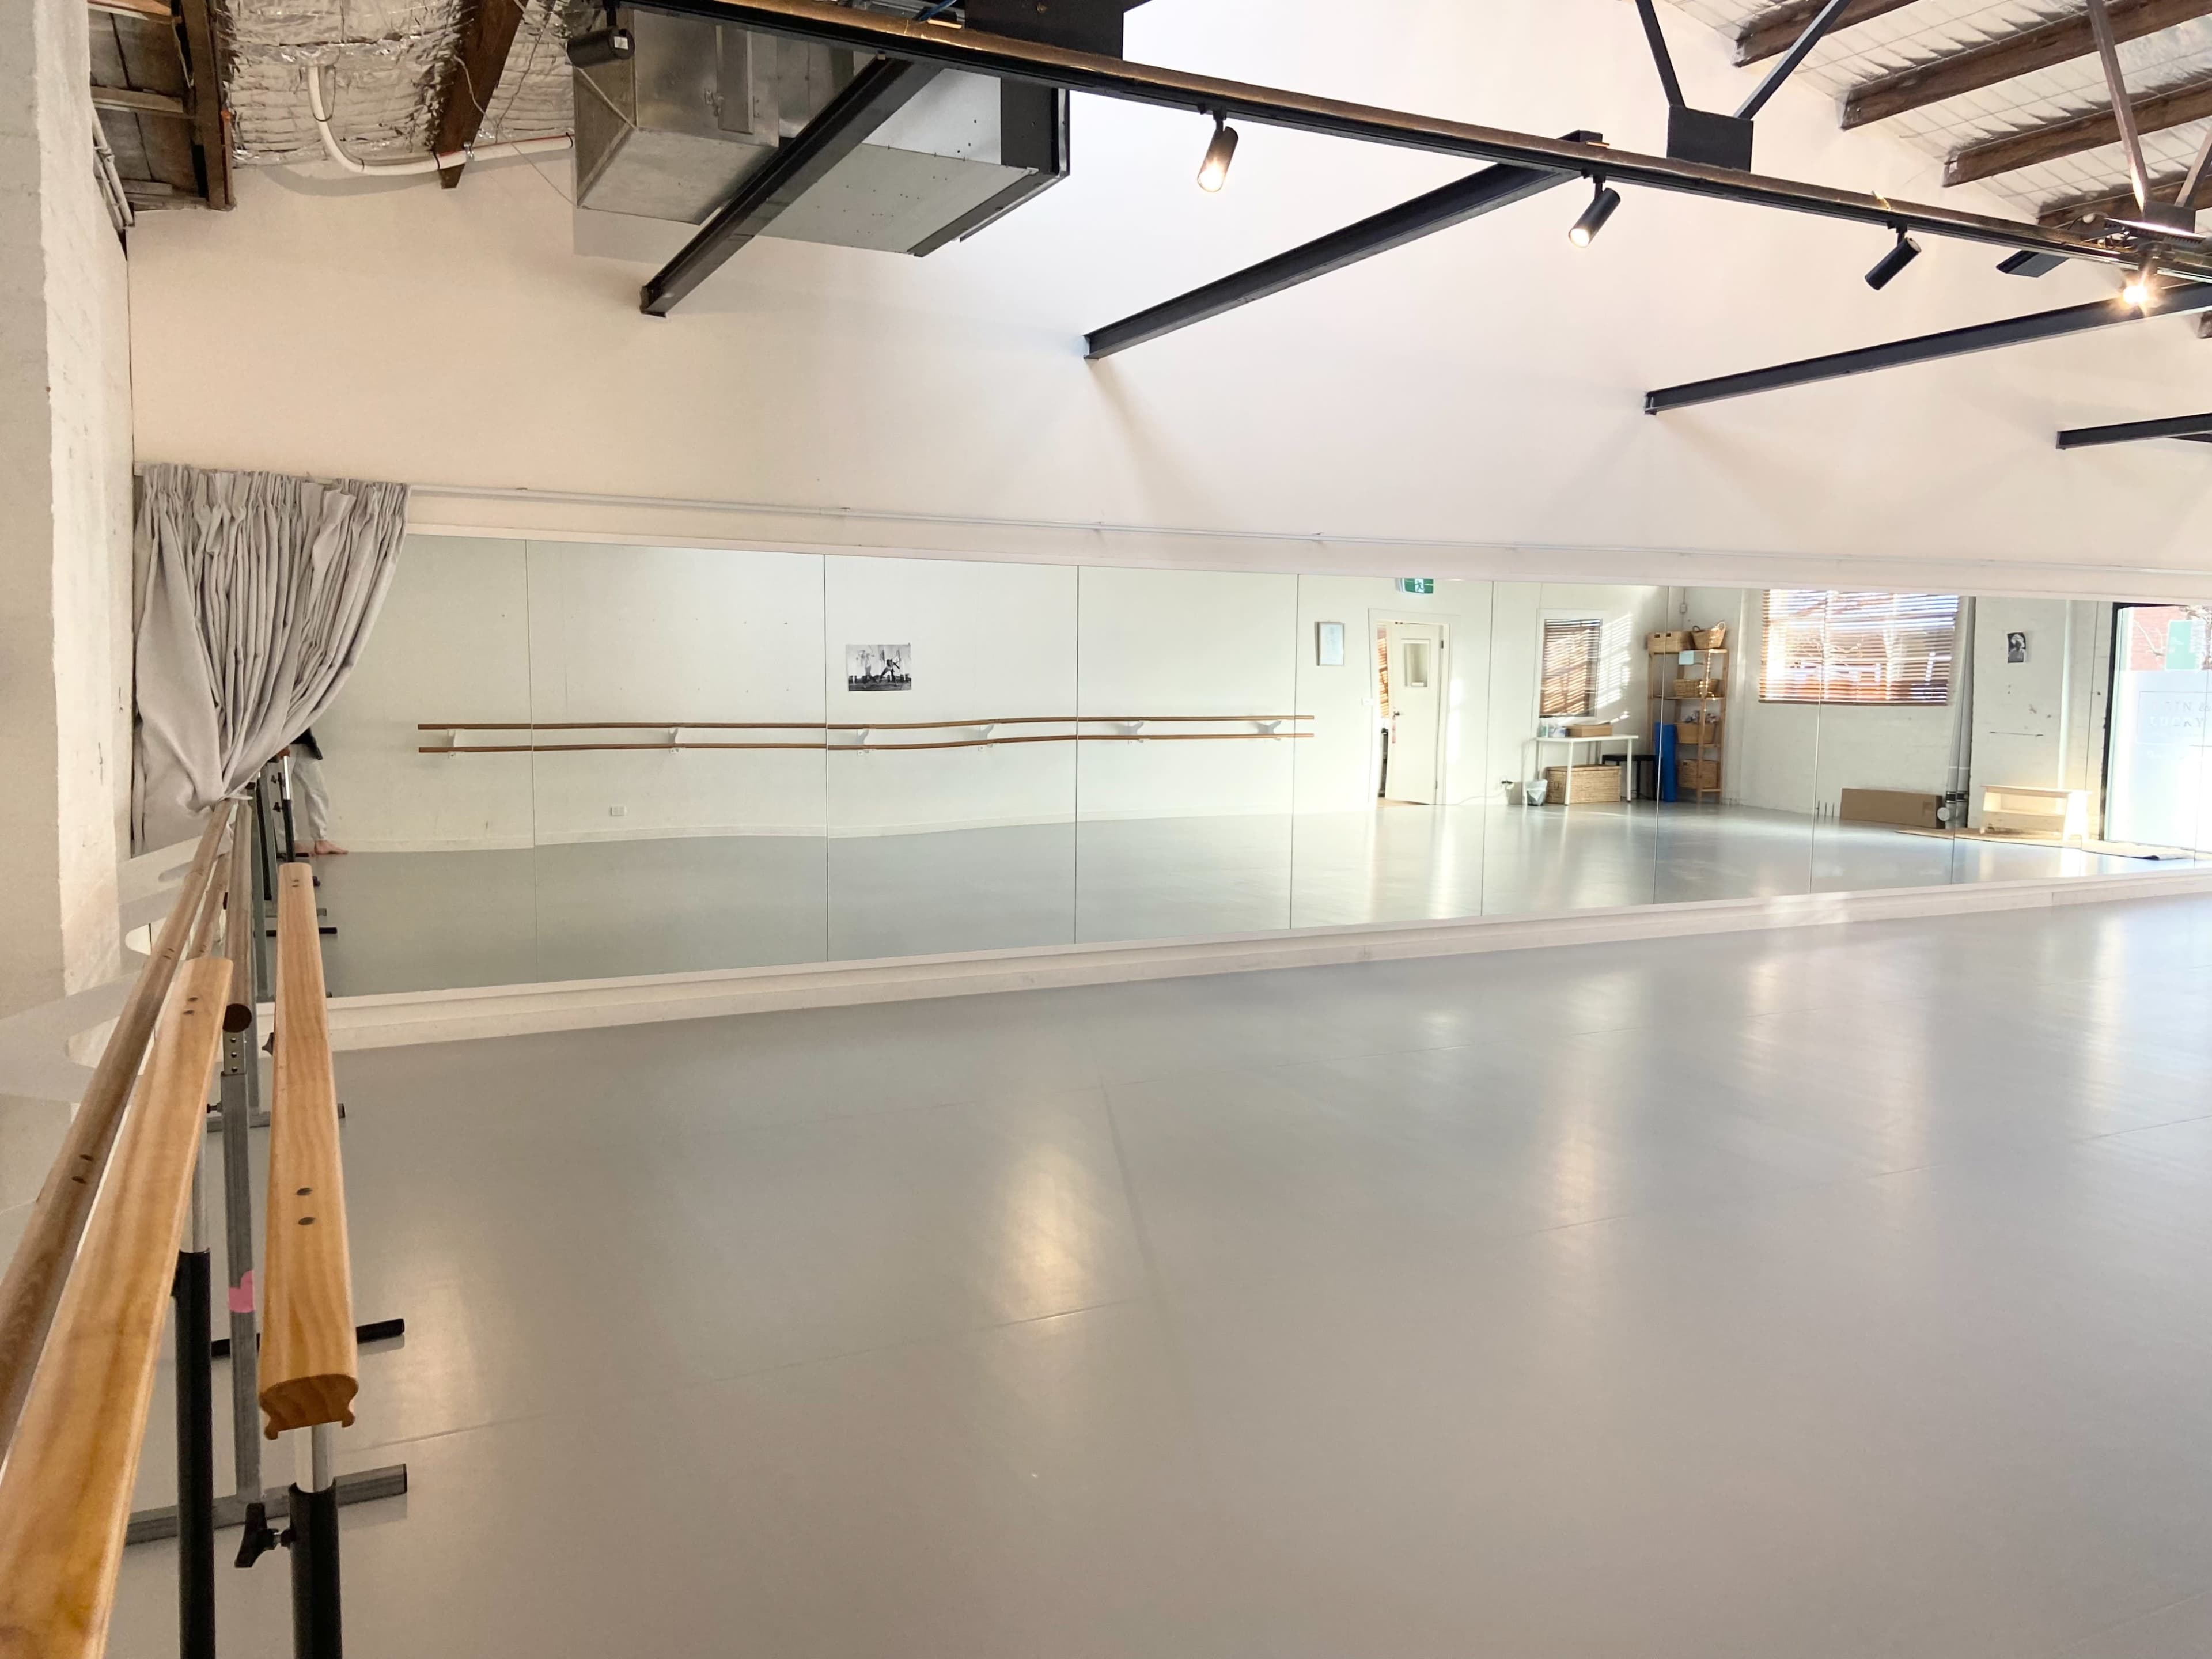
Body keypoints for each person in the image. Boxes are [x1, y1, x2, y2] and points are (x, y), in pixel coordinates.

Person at [288, 726, 346, 857]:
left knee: (318, 790)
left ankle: (321, 840)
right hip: (282, 738)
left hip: (302, 737)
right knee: (284, 794)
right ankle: (290, 842)